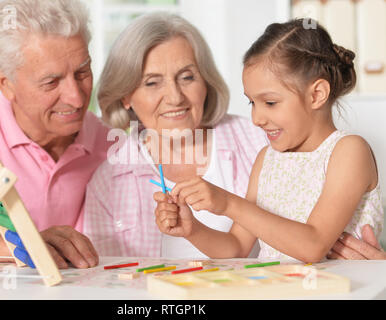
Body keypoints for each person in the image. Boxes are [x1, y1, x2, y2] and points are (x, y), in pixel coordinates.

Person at [154, 19, 384, 263]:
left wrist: (228, 203)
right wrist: (193, 230)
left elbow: (313, 246)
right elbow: (237, 248)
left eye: (270, 103)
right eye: (252, 102)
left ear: (317, 94)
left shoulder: (348, 151)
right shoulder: (266, 159)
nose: (256, 118)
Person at [0, 0, 110, 269]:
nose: (76, 99)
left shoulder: (110, 144)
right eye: (51, 82)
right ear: (5, 83)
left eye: (82, 72)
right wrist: (24, 245)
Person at [83, 12, 268, 258]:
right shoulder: (107, 183)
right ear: (126, 96)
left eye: (187, 77)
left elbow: (307, 229)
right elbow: (108, 283)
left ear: (206, 81)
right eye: (152, 83)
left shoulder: (258, 142)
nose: (175, 97)